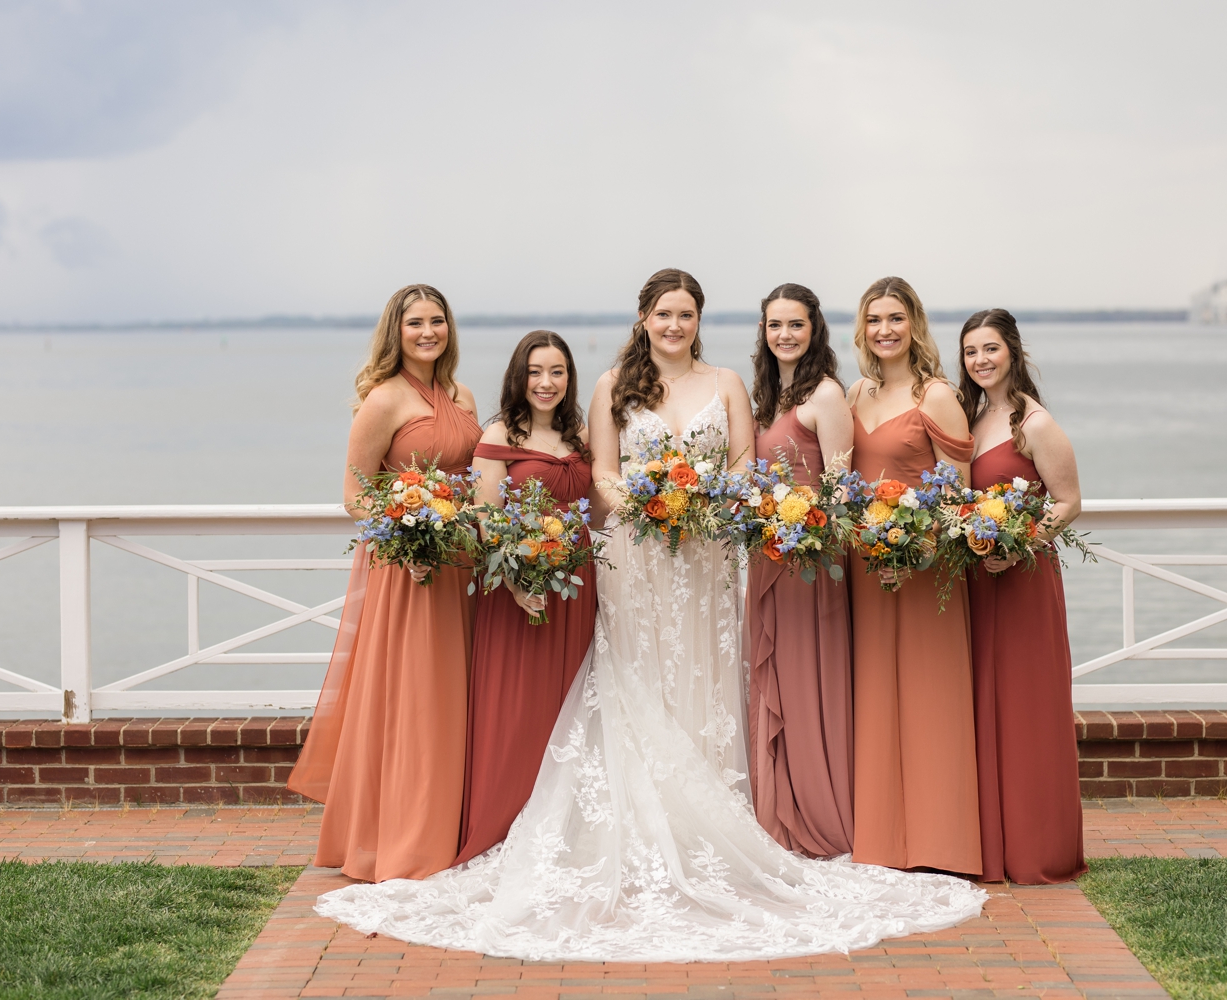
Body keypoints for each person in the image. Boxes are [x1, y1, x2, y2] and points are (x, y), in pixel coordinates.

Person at [310, 269, 985, 962]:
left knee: (710, 681)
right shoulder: (609, 387)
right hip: (637, 556)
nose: (674, 325)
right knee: (636, 677)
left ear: (699, 320)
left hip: (709, 556)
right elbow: (601, 475)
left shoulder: (726, 383)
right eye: (663, 313)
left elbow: (747, 466)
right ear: (643, 317)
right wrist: (648, 501)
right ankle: (639, 821)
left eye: (686, 314)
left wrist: (700, 504)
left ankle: (716, 819)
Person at [288, 283, 481, 883]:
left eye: (438, 321)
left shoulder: (462, 394)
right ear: (395, 332)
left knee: (460, 693)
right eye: (416, 323)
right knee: (414, 696)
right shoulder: (383, 400)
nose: (428, 332)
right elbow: (354, 495)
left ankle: (454, 829)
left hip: (461, 564)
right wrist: (408, 533)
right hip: (410, 569)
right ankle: (399, 837)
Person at [847, 276, 982, 876]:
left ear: (914, 324)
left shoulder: (938, 396)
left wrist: (915, 547)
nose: (884, 330)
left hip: (924, 568)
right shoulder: (856, 394)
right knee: (874, 691)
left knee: (930, 692)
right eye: (874, 319)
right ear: (862, 328)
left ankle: (938, 840)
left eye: (895, 318)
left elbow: (960, 494)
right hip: (866, 564)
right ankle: (880, 837)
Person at [455, 330, 598, 865]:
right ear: (519, 376)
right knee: (518, 708)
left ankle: (566, 831)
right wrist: (517, 582)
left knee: (573, 704)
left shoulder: (582, 435)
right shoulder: (498, 433)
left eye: (557, 372)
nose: (546, 382)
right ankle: (504, 824)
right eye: (535, 372)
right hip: (520, 590)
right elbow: (486, 516)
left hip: (577, 586)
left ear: (569, 378)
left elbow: (599, 511)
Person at [960, 308, 1087, 884]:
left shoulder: (1033, 423)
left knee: (1026, 706)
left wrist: (1020, 544)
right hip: (978, 579)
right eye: (970, 352)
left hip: (1023, 579)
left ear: (1012, 350)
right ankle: (989, 846)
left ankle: (1038, 848)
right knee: (984, 705)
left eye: (990, 349)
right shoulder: (973, 415)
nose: (980, 361)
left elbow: (1067, 501)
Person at [746, 283, 855, 858]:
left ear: (814, 331)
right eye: (774, 325)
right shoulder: (769, 396)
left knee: (809, 683)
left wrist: (805, 534)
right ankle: (777, 810)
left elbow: (840, 488)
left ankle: (817, 811)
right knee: (774, 681)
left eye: (795, 325)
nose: (784, 335)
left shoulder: (826, 396)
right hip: (768, 558)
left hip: (813, 564)